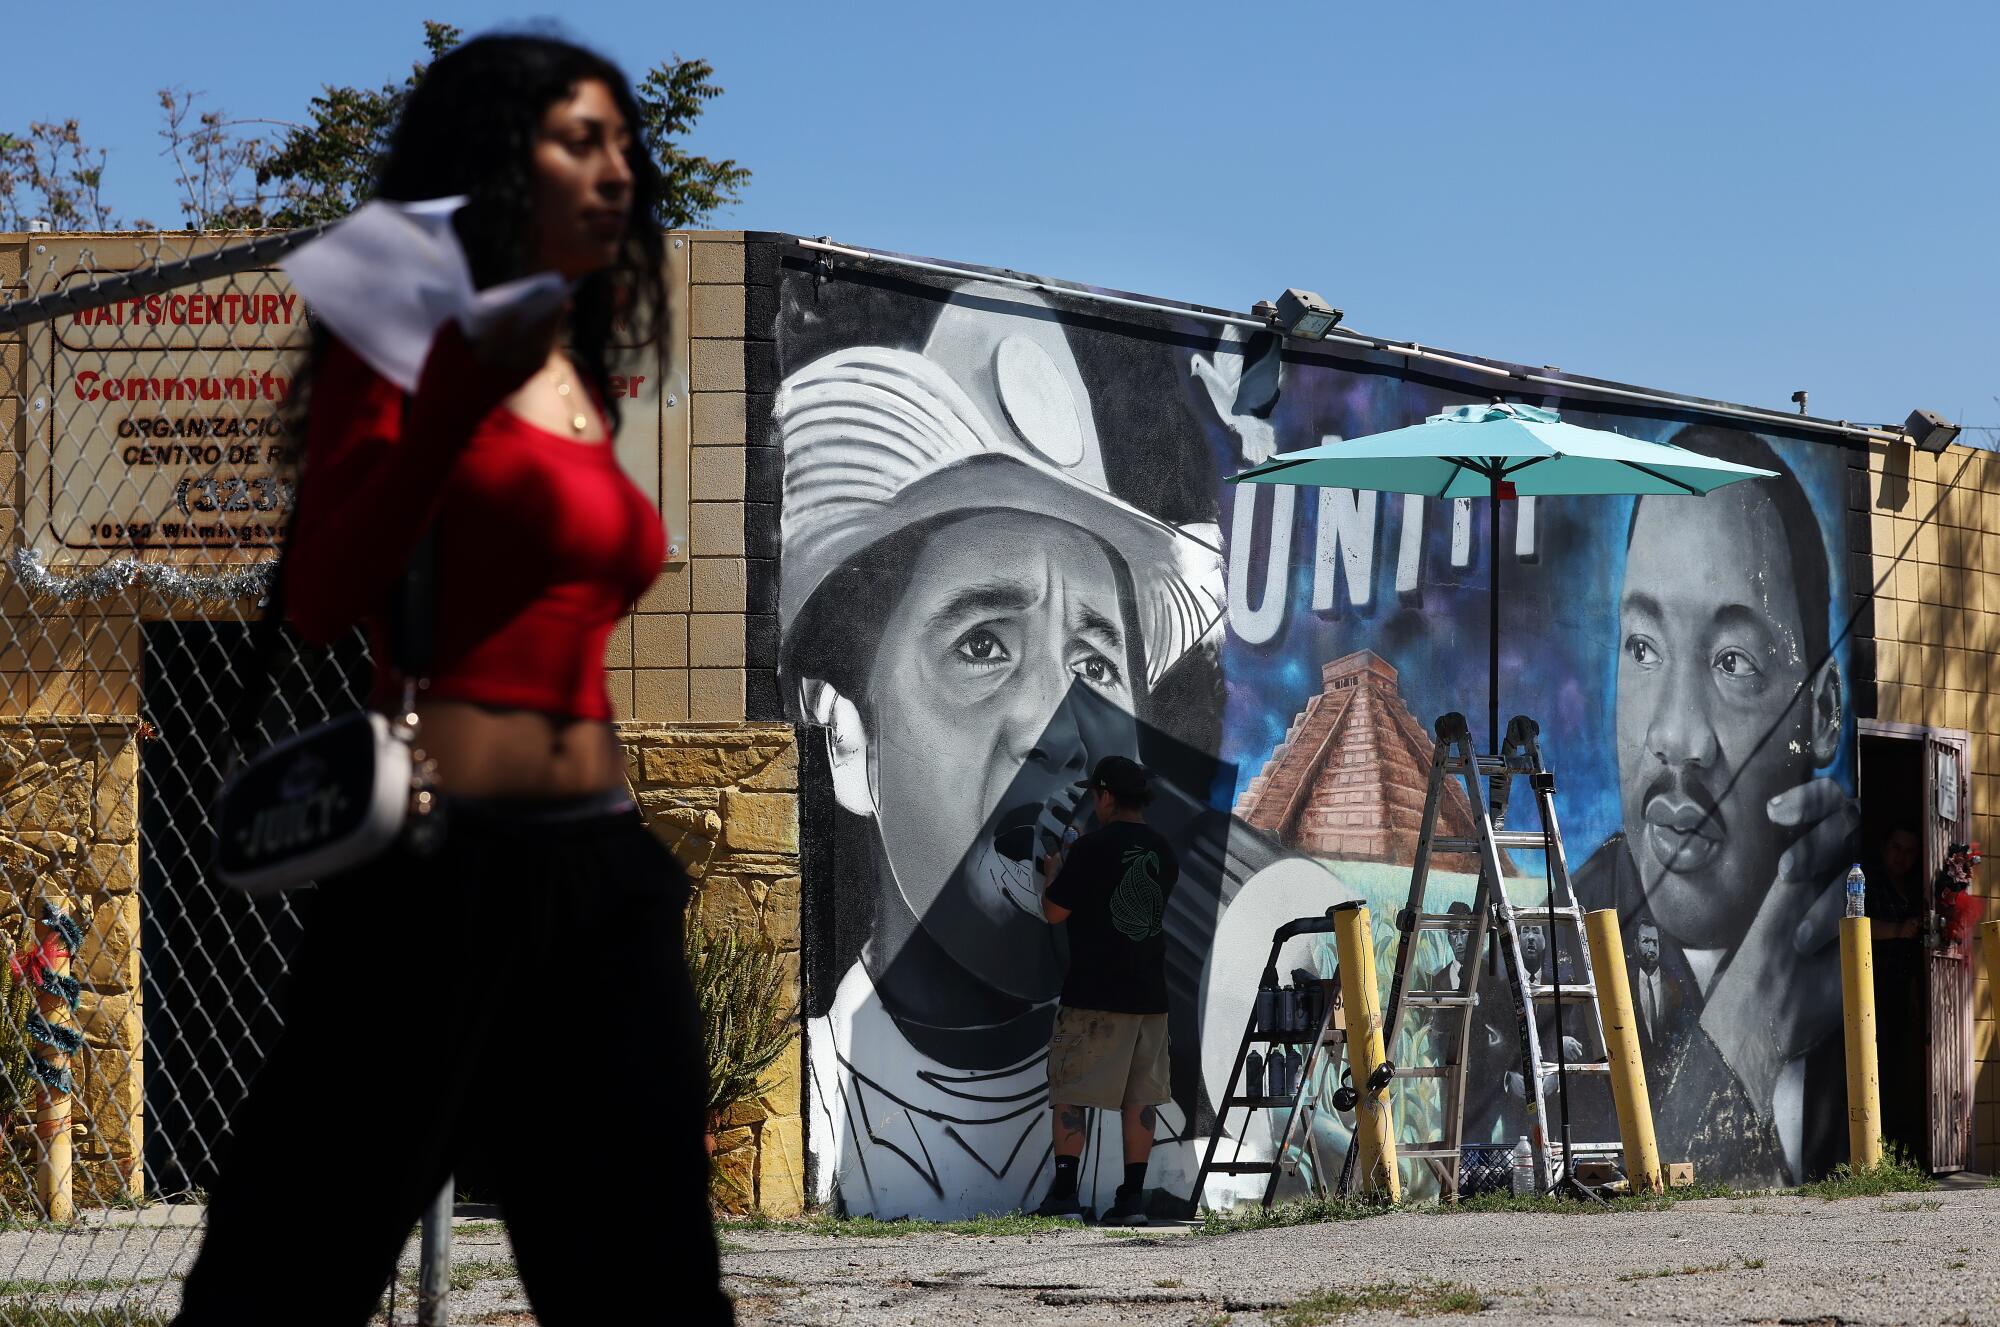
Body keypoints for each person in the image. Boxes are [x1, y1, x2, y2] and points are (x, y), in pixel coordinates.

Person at [173, 36, 730, 1326]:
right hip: (440, 877)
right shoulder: (401, 347)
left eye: (625, 146)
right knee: (279, 1280)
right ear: (493, 168)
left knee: (649, 1290)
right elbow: (319, 594)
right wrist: (443, 411)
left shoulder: (575, 368)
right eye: (578, 143)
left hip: (601, 875)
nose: (619, 172)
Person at [1573, 426, 1852, 1185]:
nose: (1677, 736)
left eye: (1733, 662)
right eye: (1643, 648)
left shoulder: (1858, 943)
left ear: (1823, 711)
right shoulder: (1558, 960)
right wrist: (1750, 1015)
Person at [1032, 756, 1180, 1225]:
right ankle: (1132, 1201)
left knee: (1071, 1091)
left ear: (1106, 796)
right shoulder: (1164, 851)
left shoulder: (1092, 849)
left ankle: (1065, 1195)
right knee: (1141, 1098)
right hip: (1150, 999)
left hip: (1094, 996)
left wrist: (1056, 872)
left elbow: (1054, 911)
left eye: (1096, 795)